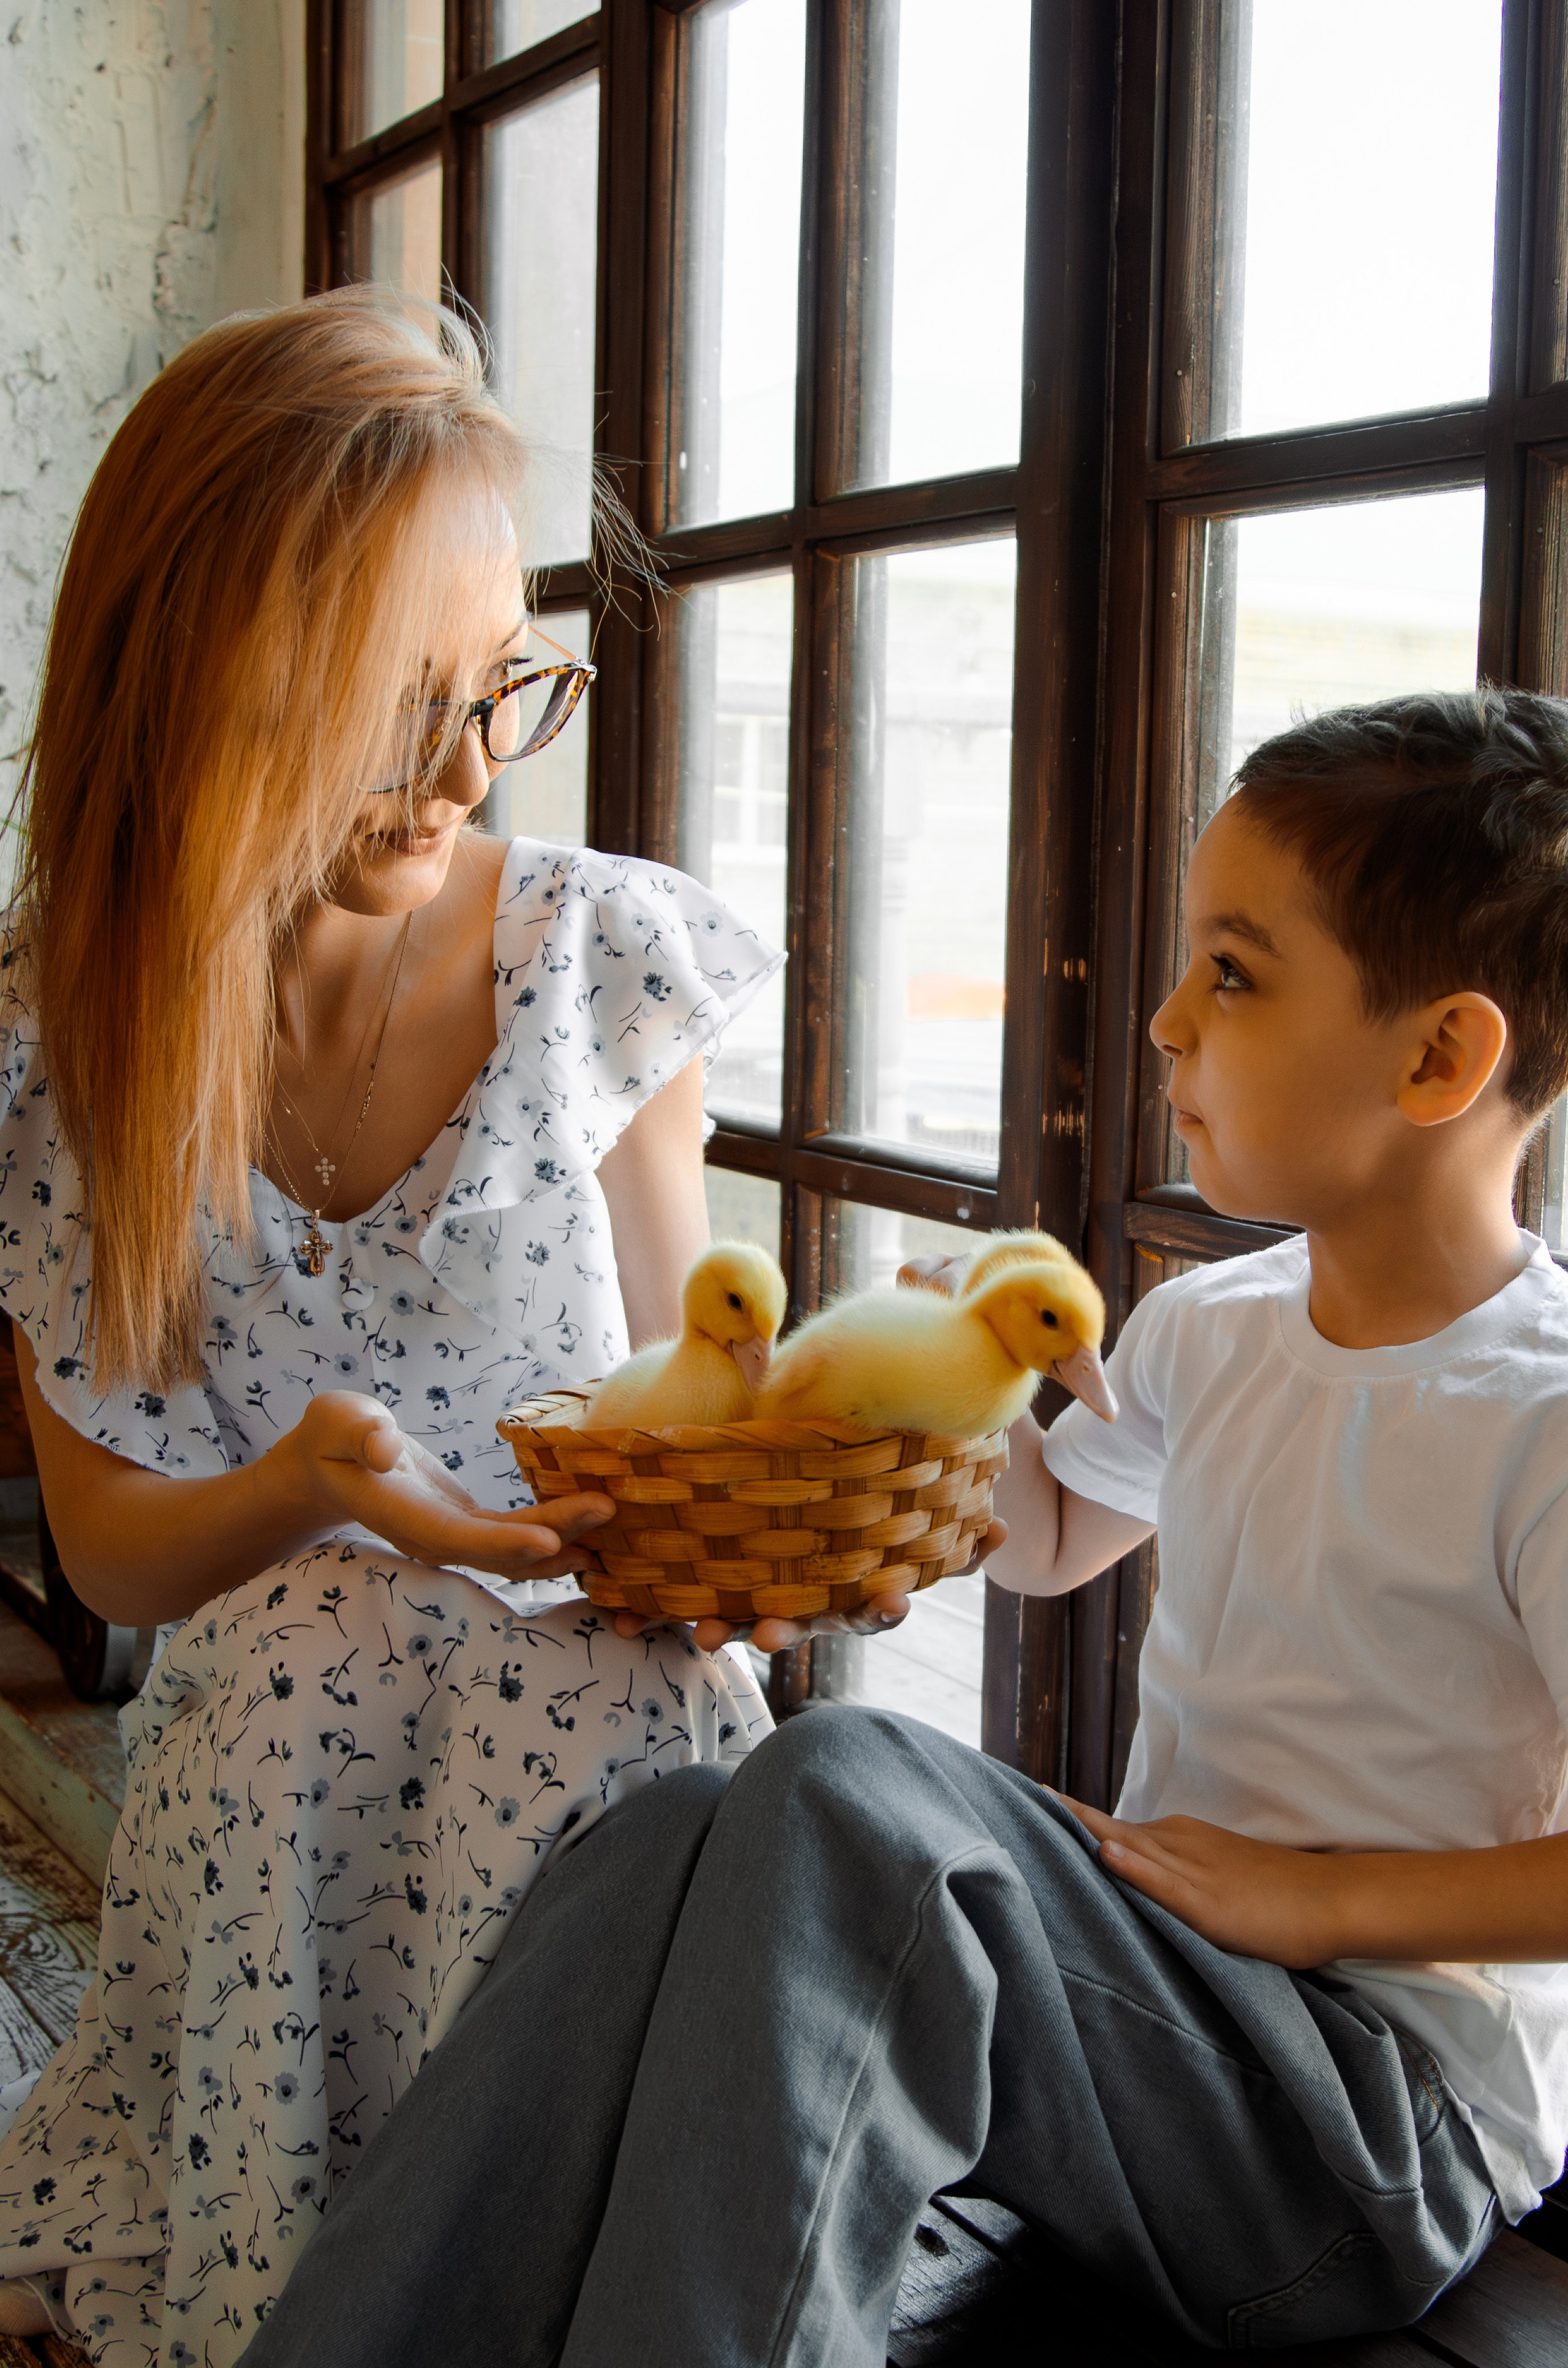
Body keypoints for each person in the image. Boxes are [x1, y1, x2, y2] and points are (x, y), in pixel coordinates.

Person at [239, 688, 1568, 2367]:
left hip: (1375, 2125)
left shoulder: (1541, 1413)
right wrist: (951, 1377)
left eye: (1232, 973)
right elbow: (1050, 1527)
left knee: (845, 1792)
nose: (1164, 1021)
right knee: (669, 1836)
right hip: (1177, 1999)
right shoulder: (1214, 1329)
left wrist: (1323, 1905)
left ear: (1442, 1056)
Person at [0, 287, 911, 2365]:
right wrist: (314, 1489)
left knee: (619, 1716)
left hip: (586, 1647)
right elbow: (116, 1554)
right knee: (313, 1639)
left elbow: (700, 1370)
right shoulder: (59, 1032)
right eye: (377, 703)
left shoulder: (596, 957)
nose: (460, 767)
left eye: (501, 684)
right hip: (285, 1728)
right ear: (191, 681)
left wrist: (762, 1516)